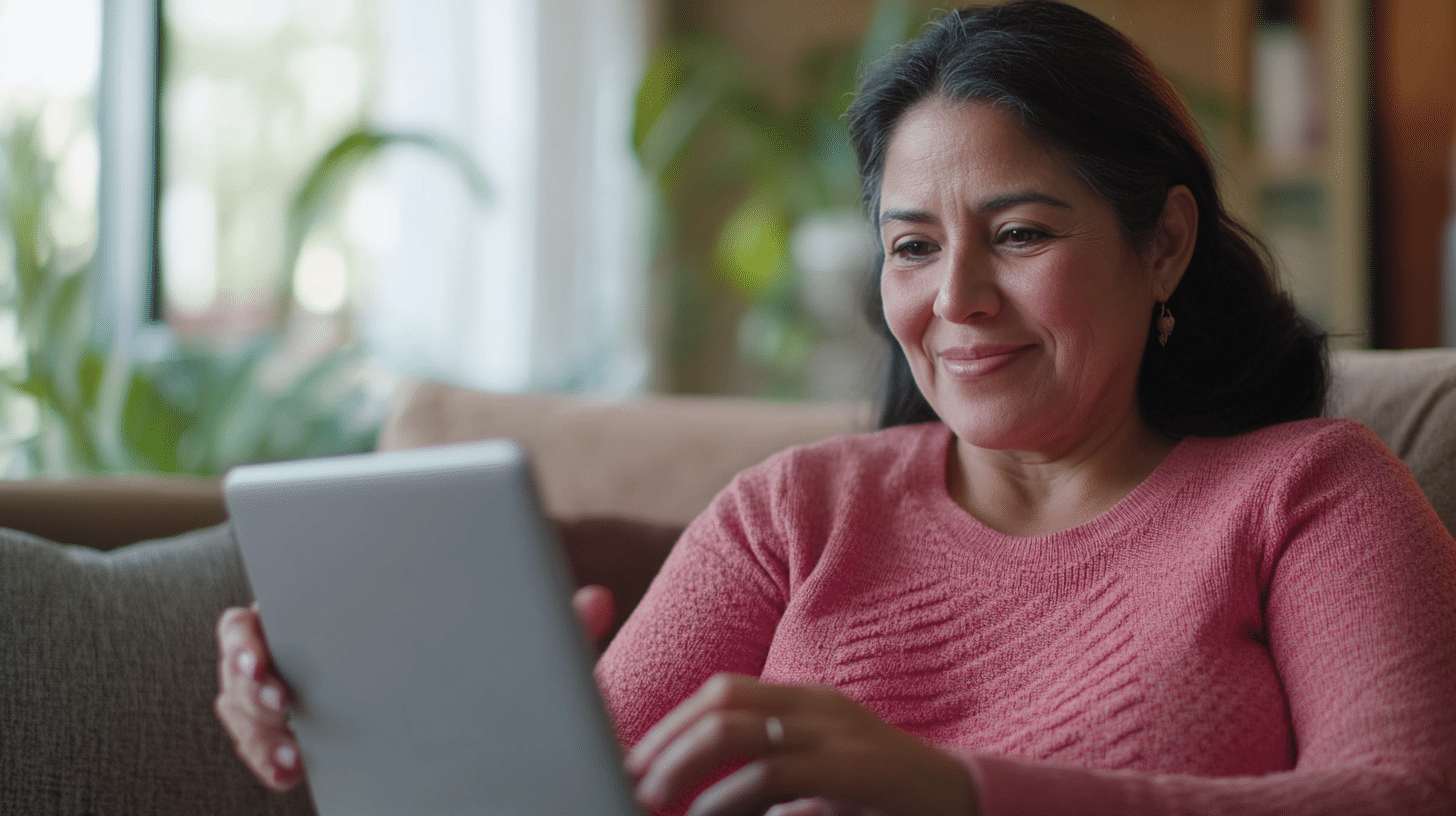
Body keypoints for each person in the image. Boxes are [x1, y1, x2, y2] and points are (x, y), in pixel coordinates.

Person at [215, 2, 1456, 814]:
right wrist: (349, 716)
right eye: (910, 247)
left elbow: (1403, 793)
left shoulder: (1311, 491)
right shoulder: (793, 512)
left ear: (1166, 242)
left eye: (1019, 233)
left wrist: (957, 793)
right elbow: (551, 799)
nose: (954, 297)